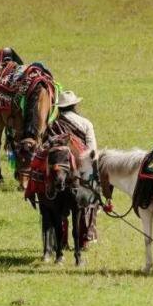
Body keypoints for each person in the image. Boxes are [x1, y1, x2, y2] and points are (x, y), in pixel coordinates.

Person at [54, 90, 99, 247]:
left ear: (60, 108)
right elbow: (92, 151)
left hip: (60, 170)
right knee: (90, 201)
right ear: (74, 106)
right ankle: (85, 239)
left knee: (57, 205)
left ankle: (61, 241)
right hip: (81, 170)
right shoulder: (86, 123)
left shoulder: (53, 124)